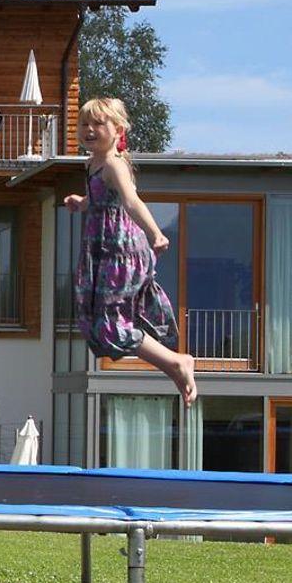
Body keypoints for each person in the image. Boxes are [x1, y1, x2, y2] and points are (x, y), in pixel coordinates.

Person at [62, 97, 195, 402]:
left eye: (98, 124)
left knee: (111, 326)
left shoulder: (114, 165)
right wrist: (82, 203)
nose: (89, 129)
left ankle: (177, 362)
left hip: (120, 251)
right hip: (100, 250)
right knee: (97, 325)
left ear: (118, 129)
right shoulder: (92, 164)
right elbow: (100, 199)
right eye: (84, 124)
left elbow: (131, 202)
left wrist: (155, 233)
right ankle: (175, 367)